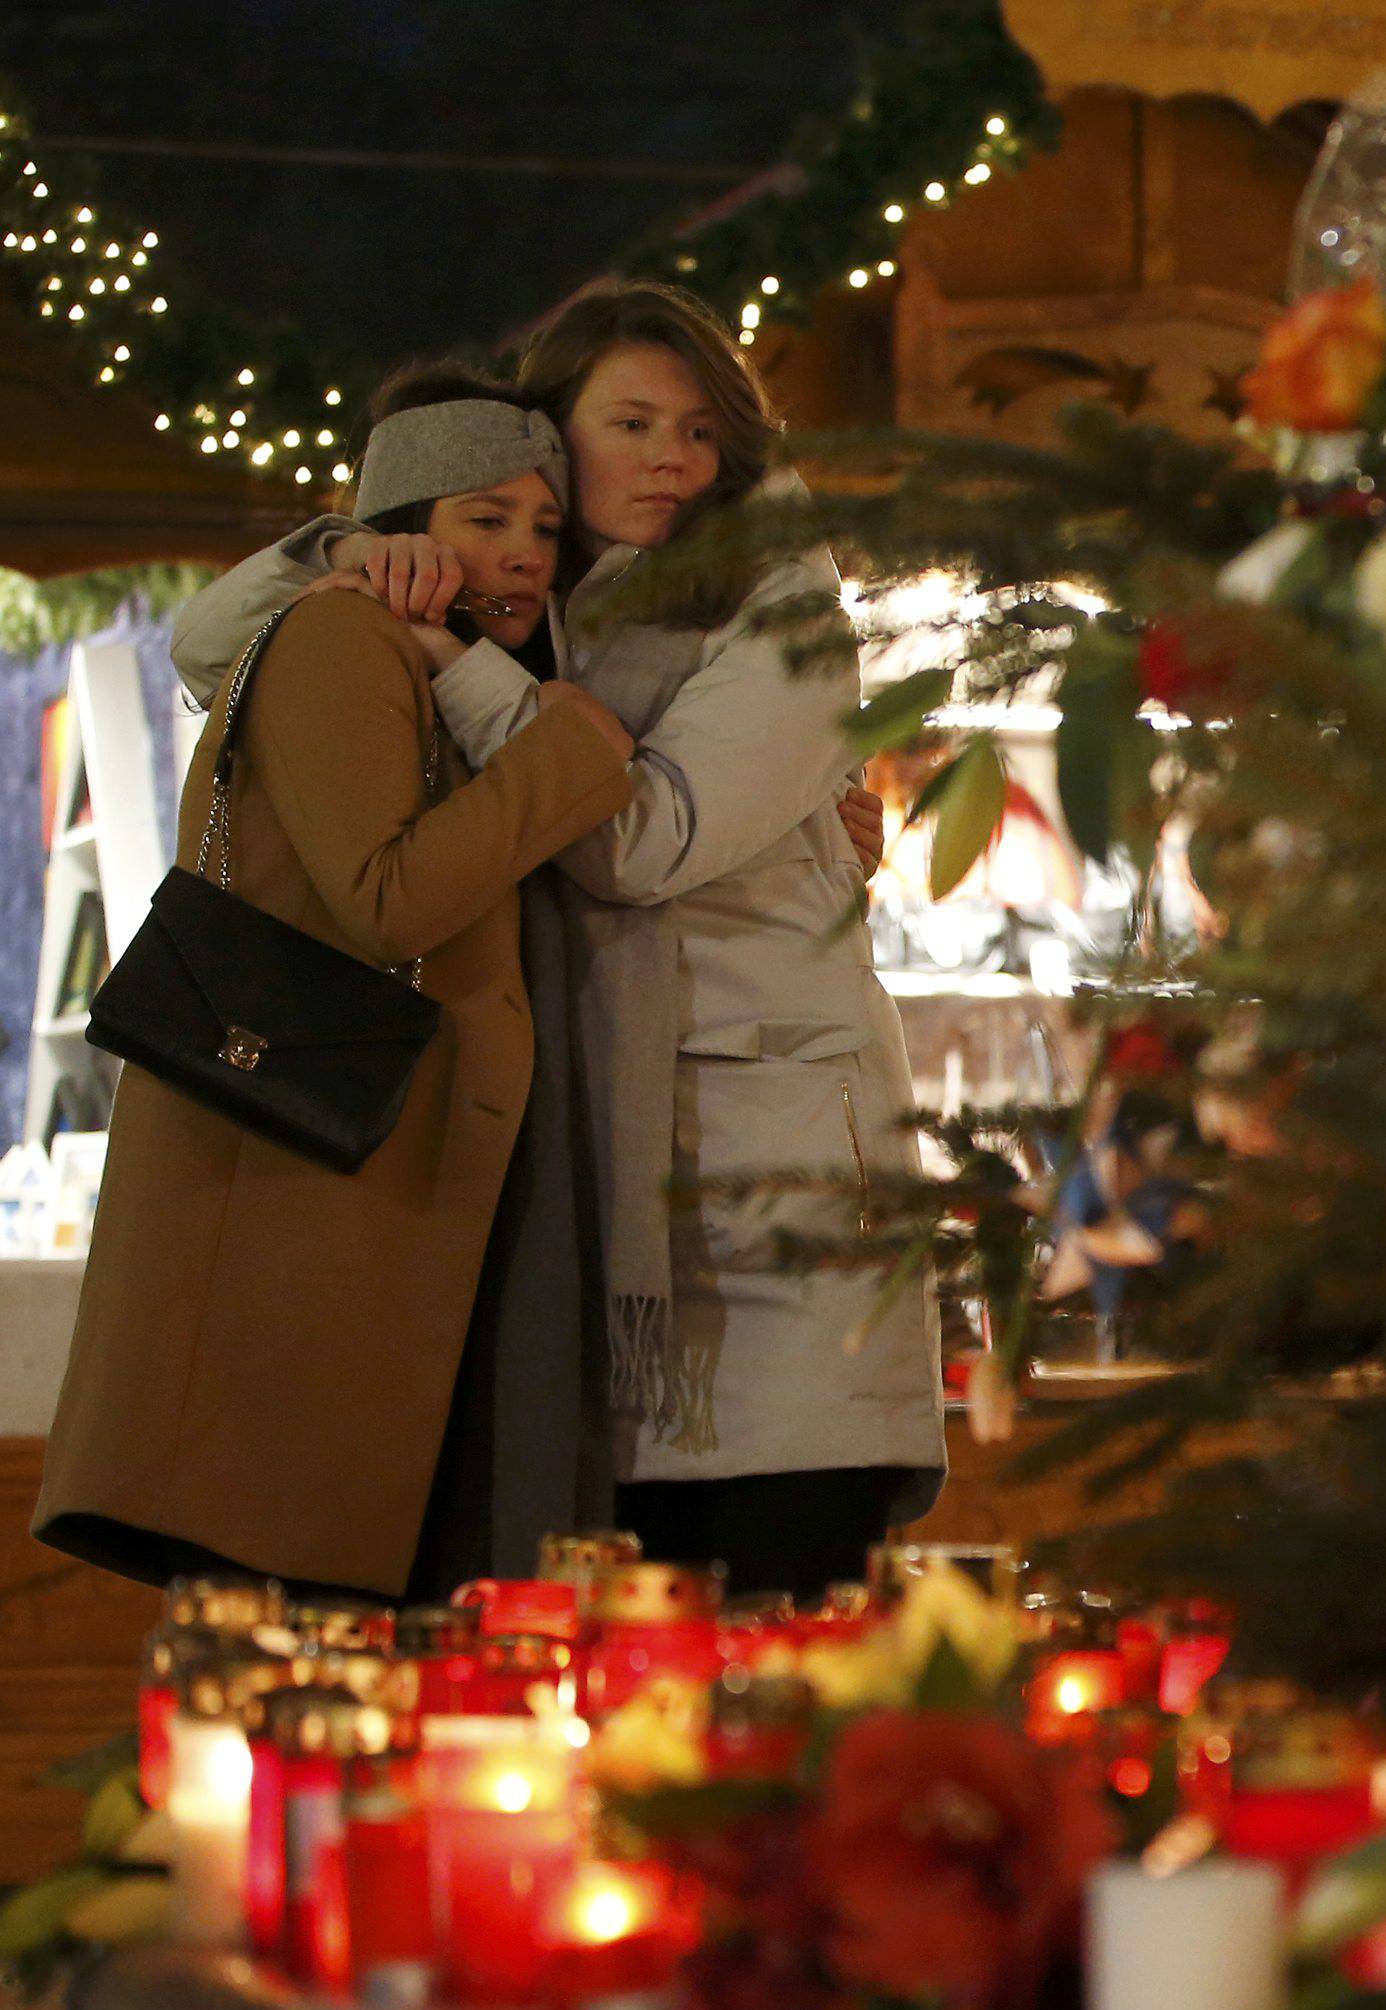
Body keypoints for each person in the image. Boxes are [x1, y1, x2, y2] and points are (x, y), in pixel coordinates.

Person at [170, 280, 947, 1601]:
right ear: (546, 430)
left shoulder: (778, 600)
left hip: (763, 1207)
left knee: (773, 1654)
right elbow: (206, 649)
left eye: (702, 431)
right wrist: (353, 559)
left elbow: (638, 842)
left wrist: (453, 659)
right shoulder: (530, 586)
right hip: (570, 1205)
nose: (673, 460)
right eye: (633, 422)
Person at [34, 387, 636, 1597]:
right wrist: (572, 756)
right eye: (486, 516)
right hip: (289, 1202)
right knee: (280, 1630)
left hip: (344, 1195)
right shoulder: (340, 638)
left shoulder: (455, 675)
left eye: (544, 525)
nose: (524, 548)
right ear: (407, 525)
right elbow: (386, 896)